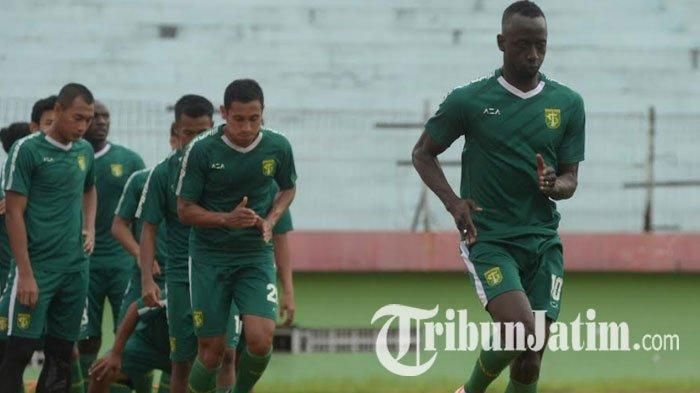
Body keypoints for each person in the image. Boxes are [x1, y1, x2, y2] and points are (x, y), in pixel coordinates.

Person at [411, 2, 585, 393]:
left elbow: (571, 180)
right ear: (501, 42)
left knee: (530, 358)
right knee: (523, 331)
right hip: (489, 239)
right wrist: (454, 203)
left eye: (541, 45)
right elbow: (423, 153)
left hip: (542, 242)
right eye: (523, 44)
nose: (533, 55)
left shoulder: (568, 104)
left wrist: (553, 185)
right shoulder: (469, 101)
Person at [176, 79, 296, 393]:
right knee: (212, 352)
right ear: (224, 113)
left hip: (253, 255)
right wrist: (226, 219)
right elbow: (184, 210)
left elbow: (288, 188)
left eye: (254, 119)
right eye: (239, 119)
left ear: (263, 114)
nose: (246, 127)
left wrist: (271, 219)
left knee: (260, 338)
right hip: (209, 257)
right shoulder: (202, 150)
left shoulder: (278, 147)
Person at [0, 83, 98, 392]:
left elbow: (89, 189)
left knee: (61, 358)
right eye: (77, 117)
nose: (83, 127)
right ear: (57, 110)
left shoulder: (84, 151)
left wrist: (90, 226)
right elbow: (14, 214)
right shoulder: (27, 150)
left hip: (74, 269)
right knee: (18, 352)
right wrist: (26, 273)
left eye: (88, 119)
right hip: (37, 268)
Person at [138, 95, 232, 393]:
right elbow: (148, 229)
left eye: (201, 132)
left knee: (227, 355)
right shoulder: (162, 174)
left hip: (220, 274)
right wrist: (146, 280)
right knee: (181, 360)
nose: (194, 140)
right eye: (187, 133)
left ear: (213, 128)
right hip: (180, 277)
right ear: (176, 132)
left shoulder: (227, 169)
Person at [78, 100, 146, 380]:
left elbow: (145, 214)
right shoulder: (73, 158)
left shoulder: (130, 161)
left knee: (129, 336)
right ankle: (85, 386)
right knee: (86, 336)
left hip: (123, 262)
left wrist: (144, 254)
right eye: (96, 117)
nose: (102, 122)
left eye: (106, 116)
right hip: (84, 262)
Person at [111, 164, 171, 393]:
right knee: (123, 350)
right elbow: (118, 226)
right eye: (187, 134)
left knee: (179, 348)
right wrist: (141, 254)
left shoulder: (209, 179)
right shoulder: (141, 179)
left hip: (184, 279)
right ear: (174, 139)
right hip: (143, 279)